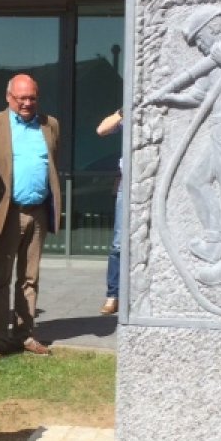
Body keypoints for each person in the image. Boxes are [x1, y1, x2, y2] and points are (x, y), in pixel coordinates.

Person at [149, 5, 221, 286]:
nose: (200, 48)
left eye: (200, 40)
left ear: (212, 29)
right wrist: (169, 98)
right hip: (220, 127)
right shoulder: (216, 55)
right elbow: (200, 95)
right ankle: (215, 239)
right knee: (195, 180)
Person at [0, 73, 61, 357]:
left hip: (38, 214)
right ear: (8, 97)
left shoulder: (50, 125)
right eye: (21, 98)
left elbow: (51, 166)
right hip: (7, 214)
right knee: (1, 278)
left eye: (32, 98)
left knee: (30, 278)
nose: (27, 103)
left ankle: (25, 334)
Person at [96, 108, 124, 315]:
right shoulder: (128, 111)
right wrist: (124, 110)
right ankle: (113, 295)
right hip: (127, 182)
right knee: (119, 243)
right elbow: (101, 130)